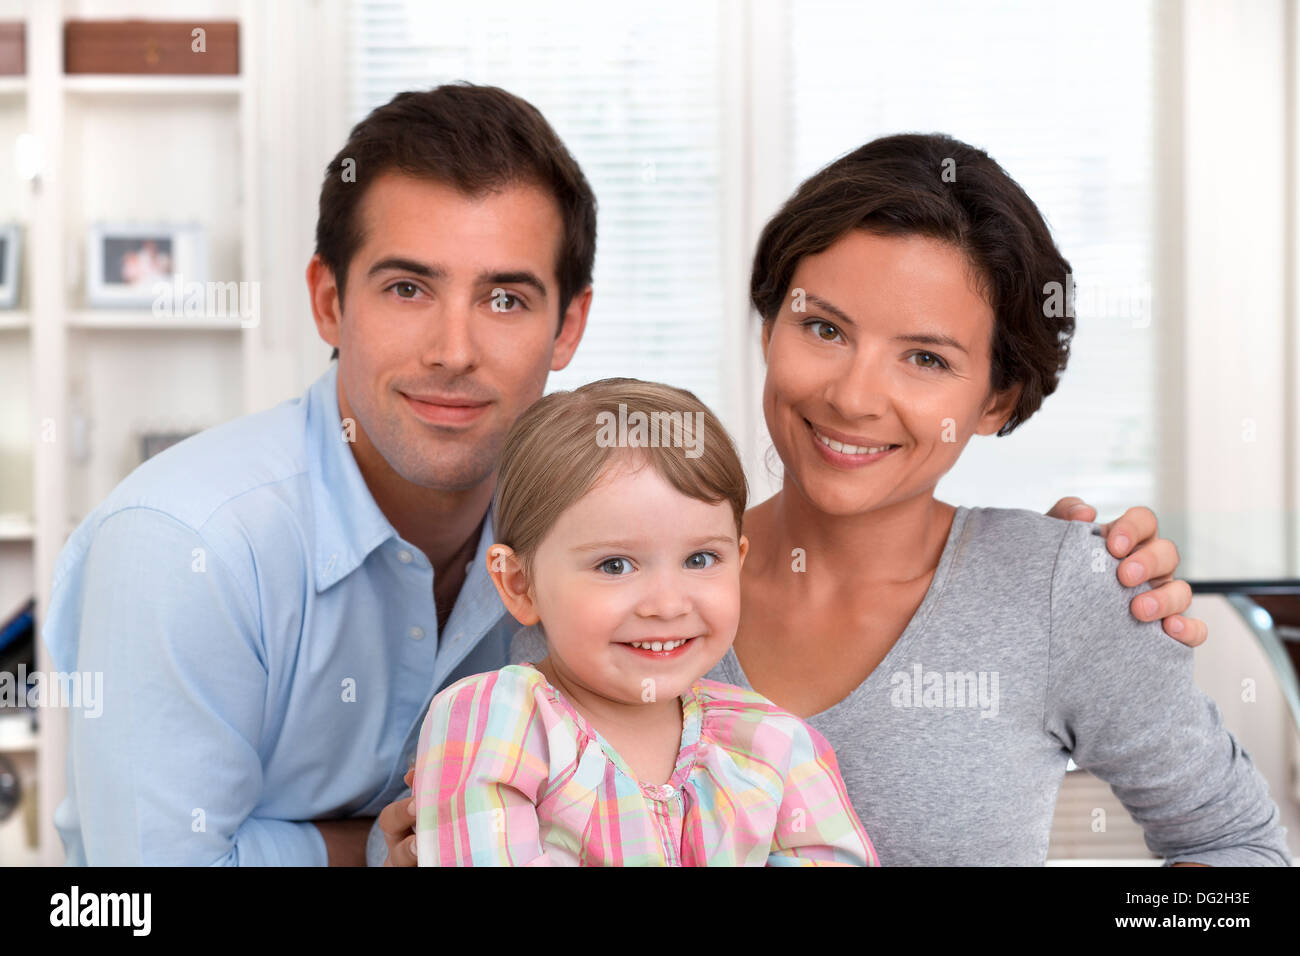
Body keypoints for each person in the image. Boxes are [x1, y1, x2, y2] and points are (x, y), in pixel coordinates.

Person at [41, 84, 1199, 866]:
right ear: (326, 302)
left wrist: (1051, 584)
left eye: (505, 295)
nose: (454, 346)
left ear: (569, 322)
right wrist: (382, 842)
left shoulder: (642, 553)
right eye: (405, 287)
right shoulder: (186, 543)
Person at [674, 132, 1286, 865]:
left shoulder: (1065, 592)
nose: (854, 395)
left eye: (927, 358)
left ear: (997, 400)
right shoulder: (616, 580)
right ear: (771, 328)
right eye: (825, 328)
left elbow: (1238, 848)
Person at [414, 378, 877, 866]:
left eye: (700, 559)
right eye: (615, 565)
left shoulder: (772, 743)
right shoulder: (499, 722)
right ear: (519, 585)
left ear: (738, 562)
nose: (667, 604)